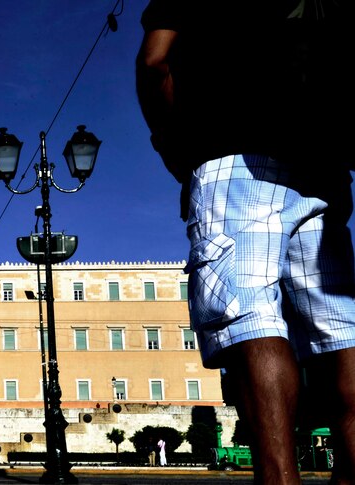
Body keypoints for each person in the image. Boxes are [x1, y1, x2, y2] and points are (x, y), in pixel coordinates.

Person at [136, 1, 355, 484]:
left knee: (246, 311)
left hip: (234, 150)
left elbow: (155, 61)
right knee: (339, 329)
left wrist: (174, 147)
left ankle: (278, 477)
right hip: (323, 157)